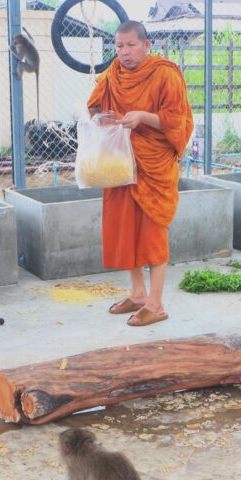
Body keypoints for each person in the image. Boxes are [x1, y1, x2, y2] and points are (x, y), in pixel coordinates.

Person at [87, 21, 194, 327]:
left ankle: (156, 304)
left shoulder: (166, 74)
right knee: (125, 230)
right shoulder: (113, 74)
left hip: (153, 164)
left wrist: (144, 117)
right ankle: (137, 293)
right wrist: (102, 119)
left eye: (131, 45)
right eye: (119, 46)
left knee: (152, 233)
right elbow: (93, 107)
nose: (124, 52)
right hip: (120, 163)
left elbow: (179, 121)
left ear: (147, 45)